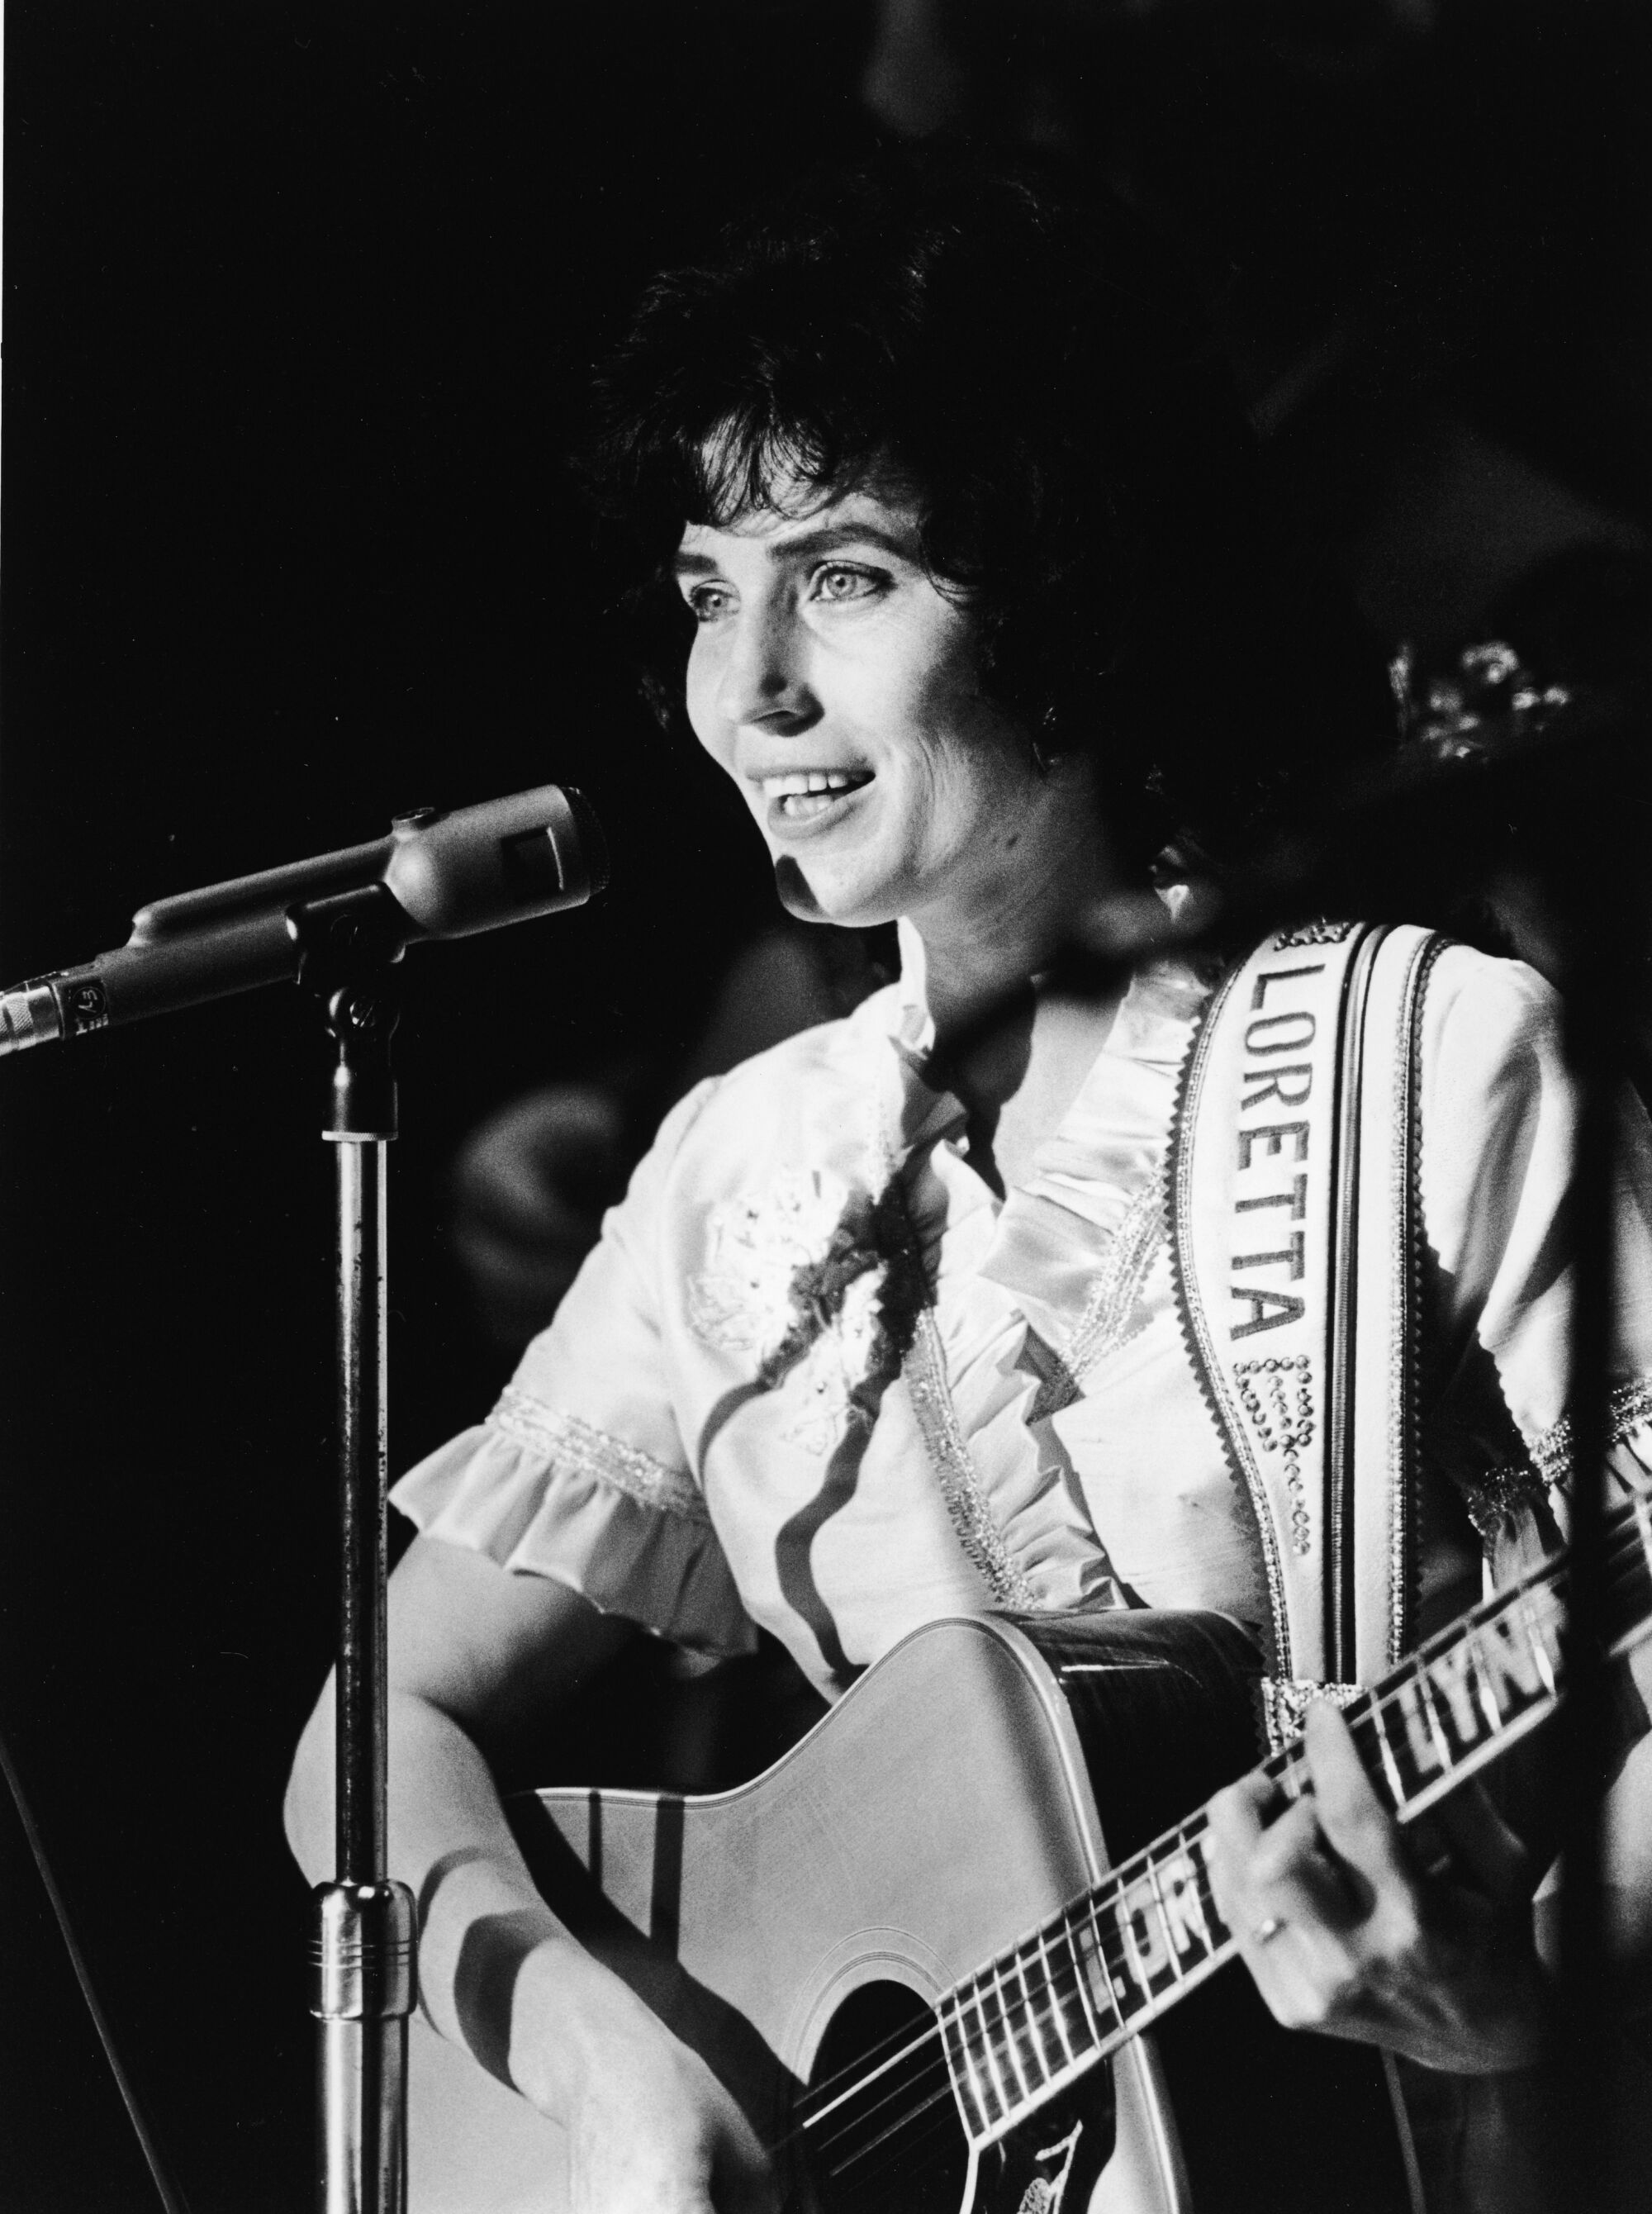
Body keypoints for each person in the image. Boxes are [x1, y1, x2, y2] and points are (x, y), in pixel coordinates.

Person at [285, 148, 1652, 2213]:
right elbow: (370, 1728)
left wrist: (1519, 2001)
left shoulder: (1430, 1061)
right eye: (701, 592)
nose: (746, 689)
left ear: (1060, 590)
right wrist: (605, 2072)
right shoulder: (741, 1175)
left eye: (840, 575)